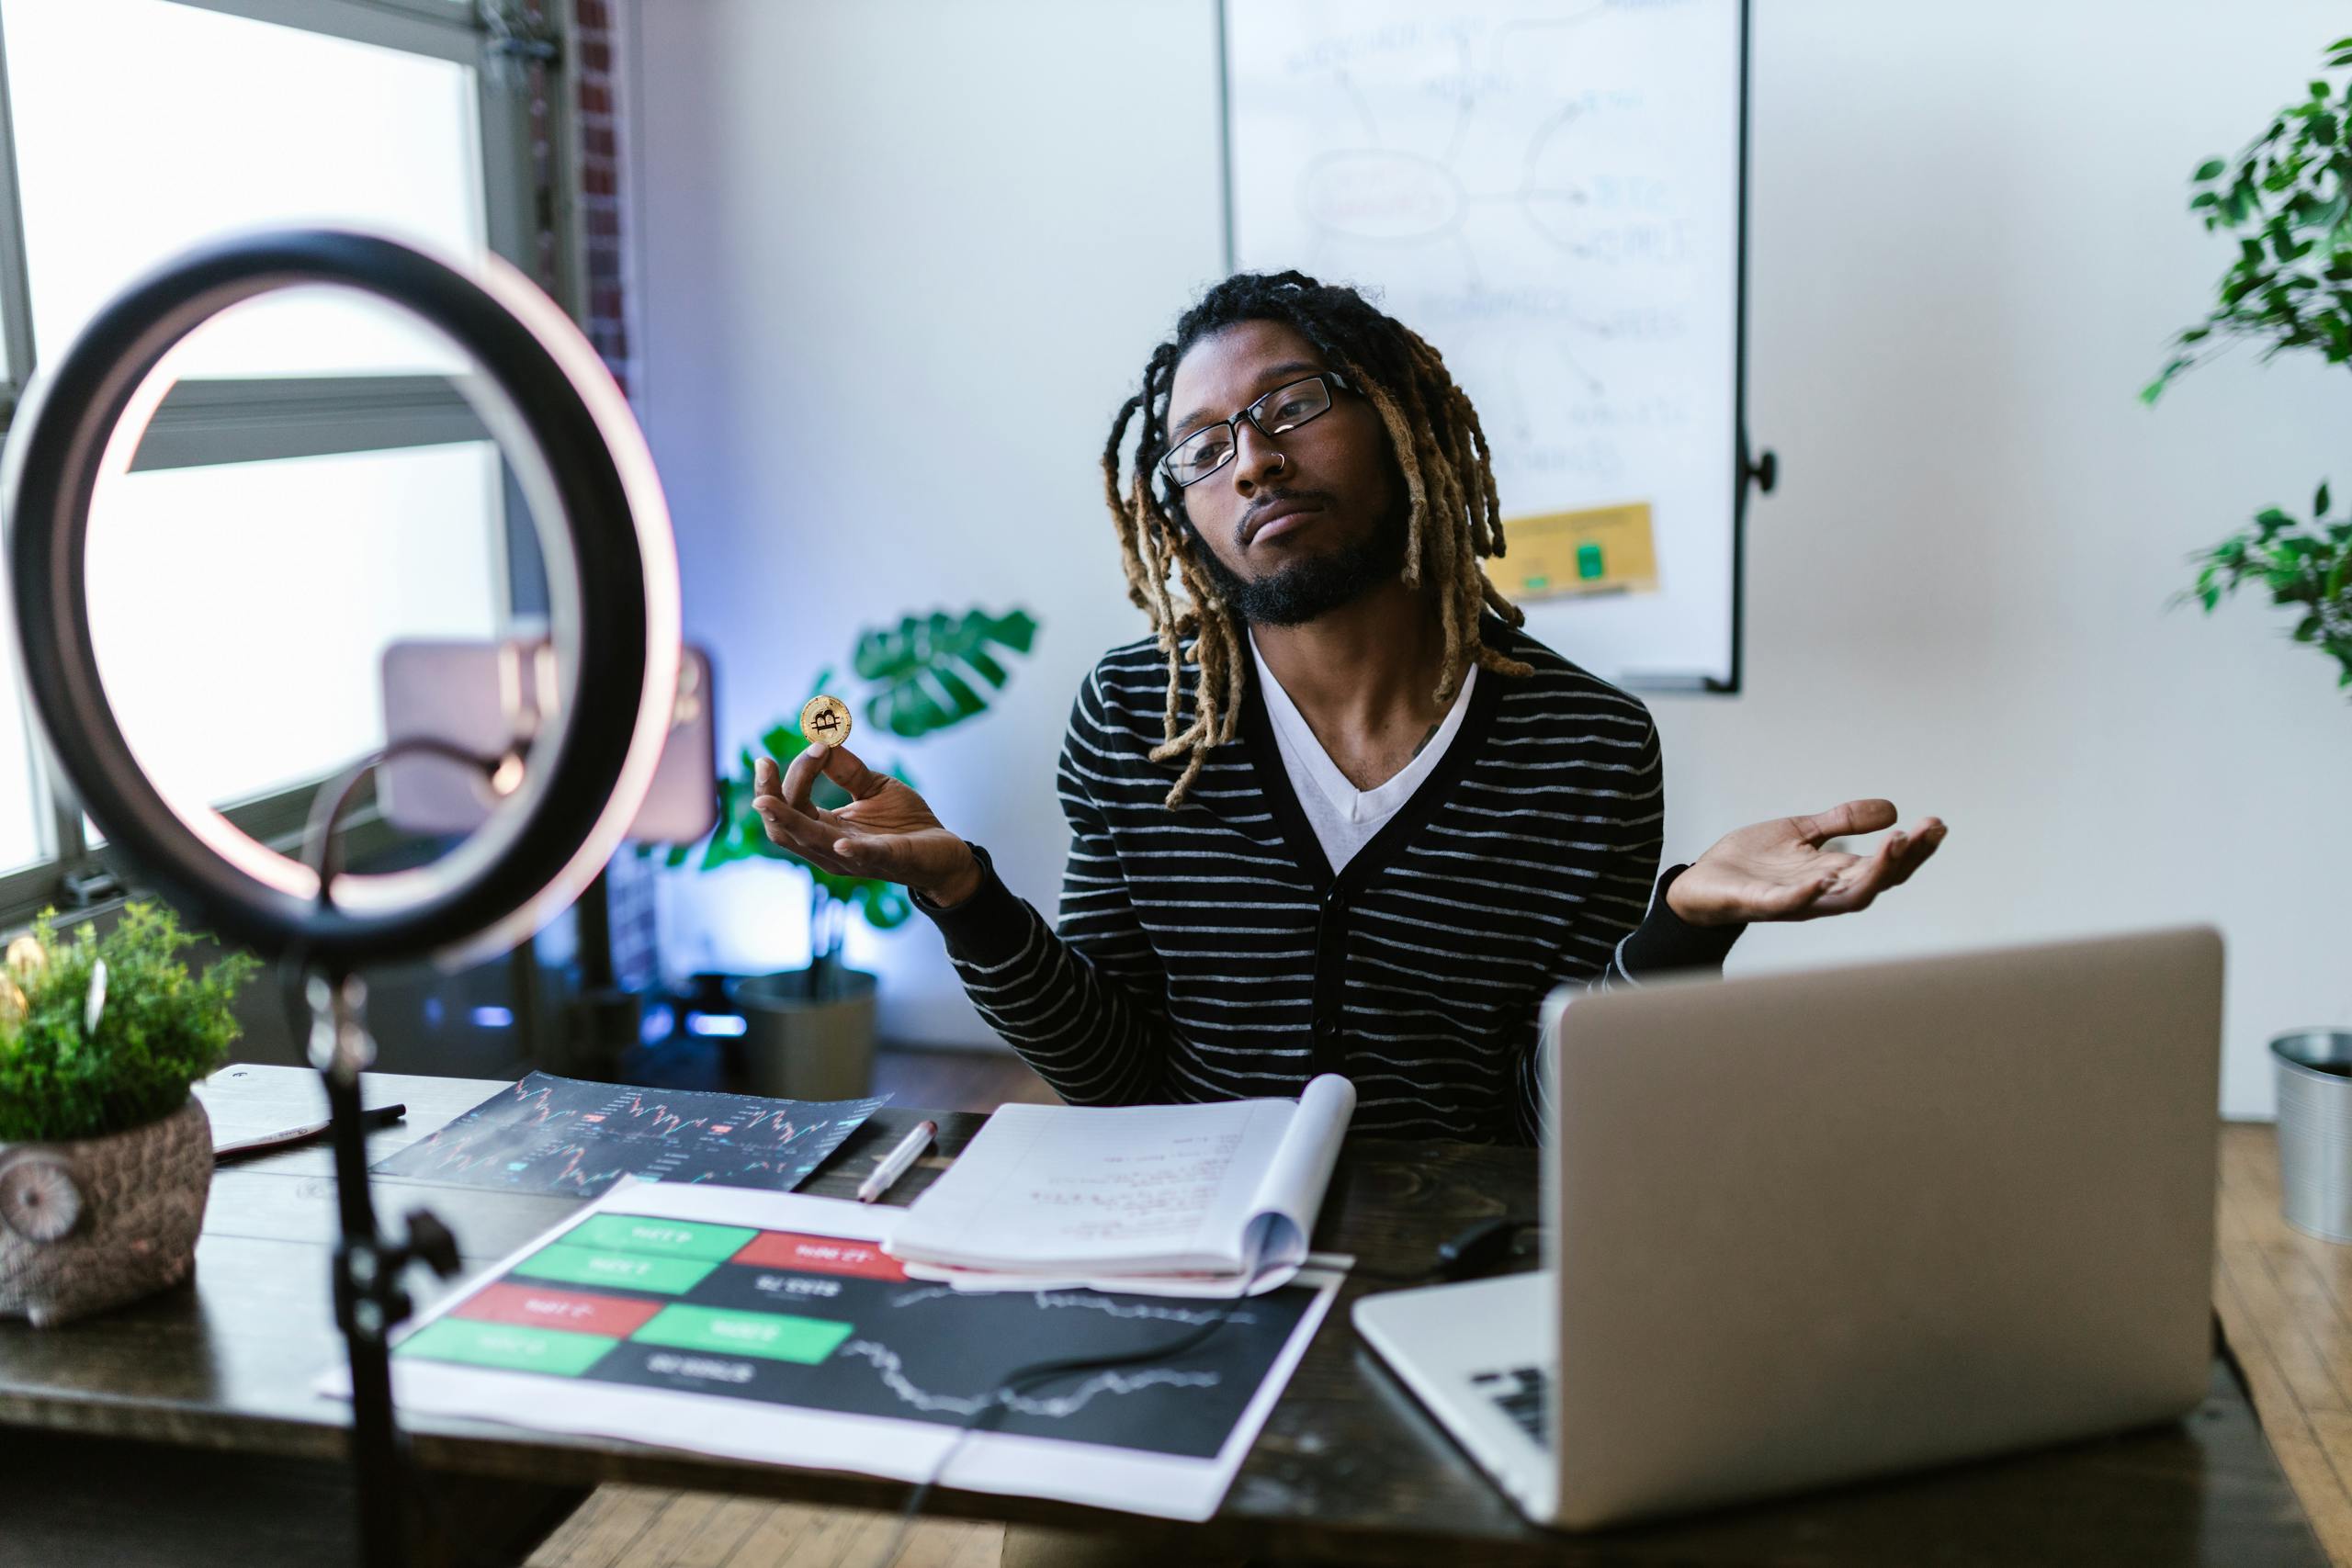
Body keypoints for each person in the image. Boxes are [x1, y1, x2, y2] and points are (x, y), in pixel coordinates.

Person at [752, 271, 1945, 1143]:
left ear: (1402, 421)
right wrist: (964, 896)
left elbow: (1548, 1117)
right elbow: (1115, 1077)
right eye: (1203, 449)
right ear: (1181, 516)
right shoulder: (1135, 717)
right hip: (1192, 1249)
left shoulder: (1585, 748)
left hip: (1449, 1260)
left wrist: (1683, 927)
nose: (1252, 463)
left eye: (1290, 406)